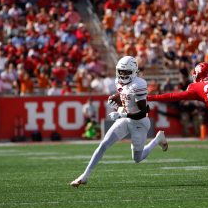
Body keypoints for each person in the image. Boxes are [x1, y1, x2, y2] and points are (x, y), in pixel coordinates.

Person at [70, 56, 168, 187]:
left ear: (133, 71)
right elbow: (124, 94)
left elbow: (143, 112)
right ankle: (85, 176)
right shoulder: (119, 81)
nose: (122, 74)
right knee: (103, 144)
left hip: (139, 123)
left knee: (137, 159)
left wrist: (122, 115)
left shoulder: (138, 84)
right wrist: (115, 98)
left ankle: (157, 139)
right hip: (125, 118)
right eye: (120, 71)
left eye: (125, 72)